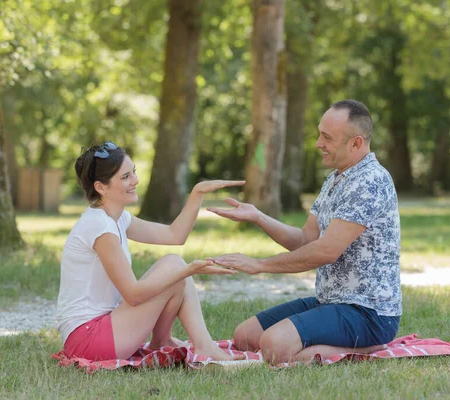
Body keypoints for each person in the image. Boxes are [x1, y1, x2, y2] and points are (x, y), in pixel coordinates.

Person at [208, 100, 402, 365]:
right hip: (331, 302)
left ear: (356, 143)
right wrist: (258, 217)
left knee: (273, 348)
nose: (318, 143)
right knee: (245, 337)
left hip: (369, 313)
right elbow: (305, 240)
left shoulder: (370, 181)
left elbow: (326, 251)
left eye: (327, 137)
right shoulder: (336, 178)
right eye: (319, 133)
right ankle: (329, 344)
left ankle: (370, 347)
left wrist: (260, 264)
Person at [56, 141, 245, 361]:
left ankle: (163, 341)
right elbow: (134, 295)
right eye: (125, 177)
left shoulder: (117, 218)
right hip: (87, 340)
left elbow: (175, 236)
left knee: (172, 261)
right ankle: (204, 347)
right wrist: (187, 271)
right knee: (175, 268)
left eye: (133, 172)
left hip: (104, 327)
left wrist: (197, 193)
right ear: (101, 187)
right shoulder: (99, 226)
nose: (135, 180)